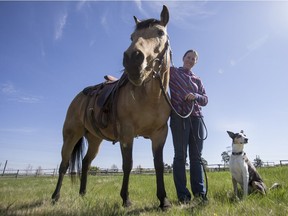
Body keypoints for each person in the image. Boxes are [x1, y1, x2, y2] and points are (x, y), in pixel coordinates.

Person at [169, 49, 208, 205]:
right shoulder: (173, 72)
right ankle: (183, 196)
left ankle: (200, 194)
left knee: (196, 158)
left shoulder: (197, 79)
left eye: (193, 59)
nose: (190, 60)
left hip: (197, 119)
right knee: (180, 156)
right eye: (188, 57)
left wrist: (196, 96)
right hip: (179, 118)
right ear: (183, 58)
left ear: (195, 62)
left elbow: (205, 99)